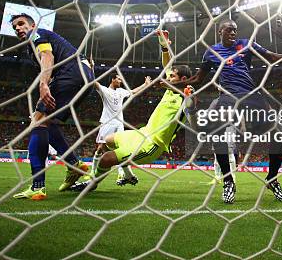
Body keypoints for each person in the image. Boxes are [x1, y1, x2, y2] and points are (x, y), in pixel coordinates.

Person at [178, 20, 282, 203]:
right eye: (229, 30)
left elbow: (269, 55)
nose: (233, 33)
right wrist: (172, 83)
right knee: (217, 135)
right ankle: (228, 181)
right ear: (220, 31)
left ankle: (272, 179)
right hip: (227, 96)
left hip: (252, 95)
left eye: (235, 30)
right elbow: (198, 78)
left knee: (278, 134)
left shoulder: (245, 44)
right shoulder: (211, 52)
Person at [69, 30, 193, 193]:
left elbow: (192, 108)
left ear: (183, 80)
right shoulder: (171, 89)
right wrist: (164, 45)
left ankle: (92, 182)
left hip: (152, 144)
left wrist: (184, 93)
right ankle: (126, 174)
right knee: (108, 140)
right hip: (141, 134)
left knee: (106, 159)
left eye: (173, 77)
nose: (169, 78)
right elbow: (168, 65)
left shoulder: (186, 98)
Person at [9, 13, 94, 201]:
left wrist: (43, 84)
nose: (18, 28)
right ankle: (74, 165)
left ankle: (38, 186)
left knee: (37, 122)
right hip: (84, 76)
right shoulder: (36, 43)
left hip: (72, 73)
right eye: (15, 27)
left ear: (31, 25)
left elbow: (48, 55)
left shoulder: (37, 34)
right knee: (47, 121)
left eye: (21, 24)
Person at [92, 73, 151, 186]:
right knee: (100, 148)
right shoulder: (105, 91)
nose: (120, 81)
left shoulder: (121, 92)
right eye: (118, 79)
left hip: (119, 124)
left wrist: (145, 84)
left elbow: (133, 91)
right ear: (112, 79)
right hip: (107, 123)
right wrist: (90, 69)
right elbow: (94, 83)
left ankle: (122, 174)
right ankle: (92, 172)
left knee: (121, 149)